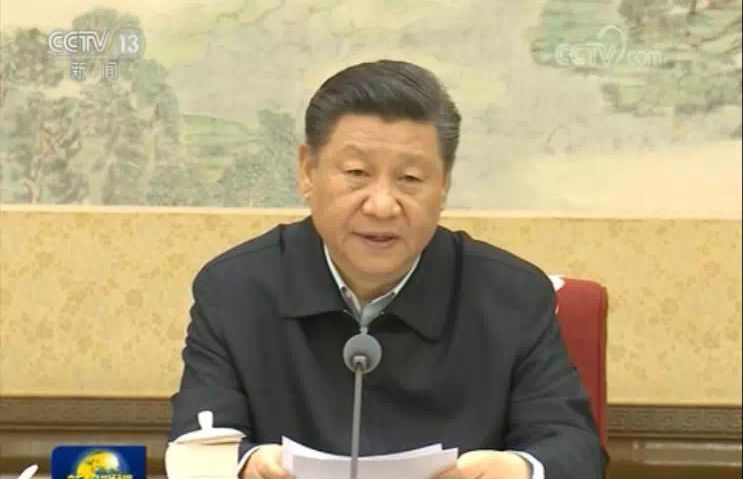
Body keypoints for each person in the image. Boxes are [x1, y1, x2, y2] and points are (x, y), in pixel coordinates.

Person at [169, 60, 607, 479]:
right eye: (357, 172)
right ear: (308, 171)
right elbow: (198, 442)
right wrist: (246, 464)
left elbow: (573, 448)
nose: (382, 206)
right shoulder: (236, 290)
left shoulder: (512, 296)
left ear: (444, 184)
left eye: (410, 179)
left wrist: (519, 469)